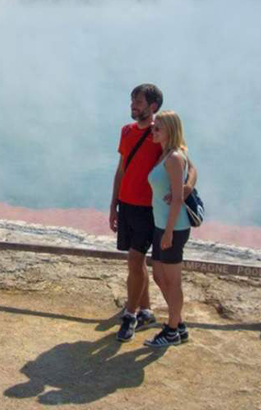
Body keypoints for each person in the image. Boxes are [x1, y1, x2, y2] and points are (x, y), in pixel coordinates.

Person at [109, 84, 196, 342]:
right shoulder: (127, 132)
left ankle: (130, 315)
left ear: (152, 106)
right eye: (132, 101)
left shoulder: (159, 136)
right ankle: (146, 311)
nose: (133, 106)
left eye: (138, 102)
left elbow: (189, 166)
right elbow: (122, 168)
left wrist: (186, 187)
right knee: (137, 263)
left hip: (149, 211)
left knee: (135, 260)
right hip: (126, 206)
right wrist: (114, 203)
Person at [144, 110, 192, 347]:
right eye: (153, 128)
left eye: (157, 129)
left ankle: (172, 331)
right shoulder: (166, 154)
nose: (153, 132)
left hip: (173, 227)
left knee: (173, 281)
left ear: (170, 130)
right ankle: (178, 323)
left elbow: (177, 199)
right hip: (161, 224)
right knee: (159, 275)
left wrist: (169, 232)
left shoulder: (174, 158)